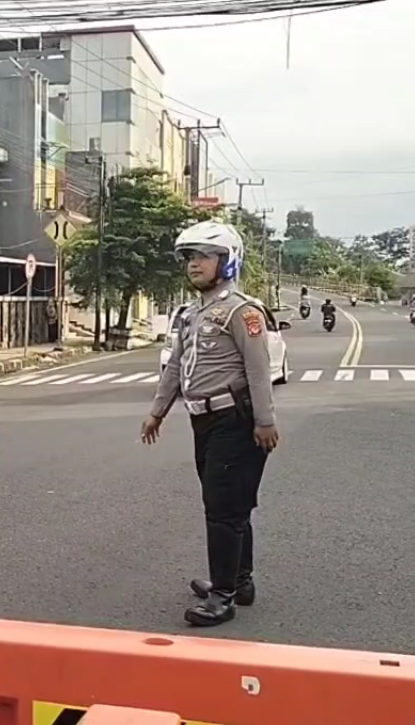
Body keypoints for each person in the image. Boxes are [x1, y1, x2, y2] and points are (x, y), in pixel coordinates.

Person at [140, 220, 279, 627]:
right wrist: (157, 411)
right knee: (230, 506)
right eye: (190, 257)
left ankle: (223, 596)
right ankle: (240, 579)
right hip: (204, 421)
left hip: (235, 421)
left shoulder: (243, 311)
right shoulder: (189, 314)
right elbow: (174, 368)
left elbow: (259, 369)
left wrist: (264, 421)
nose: (194, 264)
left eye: (203, 256)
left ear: (228, 261)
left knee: (223, 509)